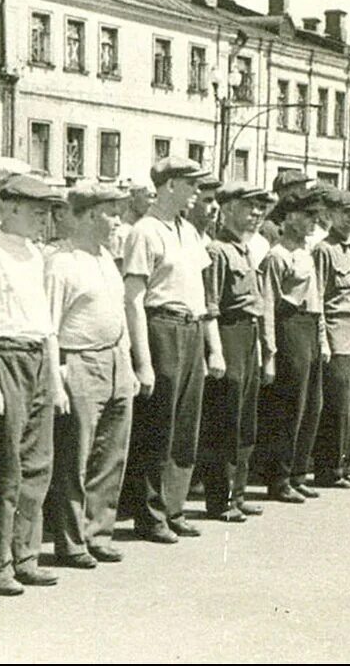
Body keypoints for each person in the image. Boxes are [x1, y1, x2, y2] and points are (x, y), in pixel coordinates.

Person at [0, 174, 64, 595]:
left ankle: (26, 556)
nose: (43, 218)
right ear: (11, 208)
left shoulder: (35, 255)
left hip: (38, 358)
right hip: (5, 357)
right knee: (4, 470)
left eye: (47, 211)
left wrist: (56, 379)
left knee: (37, 464)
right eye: (36, 211)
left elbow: (47, 326)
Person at [121, 156, 224, 544]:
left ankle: (173, 507)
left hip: (191, 327)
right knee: (157, 426)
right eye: (190, 183)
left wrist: (212, 348)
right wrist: (143, 362)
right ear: (168, 186)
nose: (197, 191)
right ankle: (149, 515)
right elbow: (133, 299)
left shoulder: (189, 231)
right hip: (161, 325)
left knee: (185, 427)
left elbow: (201, 294)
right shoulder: (145, 231)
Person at [45, 185, 136, 569]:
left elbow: (120, 312)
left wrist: (128, 363)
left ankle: (99, 532)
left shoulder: (106, 259)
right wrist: (55, 377)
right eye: (110, 213)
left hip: (114, 360)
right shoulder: (61, 262)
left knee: (111, 453)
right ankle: (71, 541)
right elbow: (48, 325)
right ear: (85, 215)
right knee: (75, 457)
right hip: (79, 360)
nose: (117, 221)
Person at [200, 185, 275, 522]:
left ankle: (238, 494)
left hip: (248, 334)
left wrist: (259, 348)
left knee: (246, 418)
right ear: (227, 210)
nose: (256, 215)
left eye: (260, 209)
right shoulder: (217, 251)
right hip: (228, 332)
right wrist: (215, 350)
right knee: (225, 418)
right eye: (249, 208)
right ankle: (221, 499)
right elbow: (211, 306)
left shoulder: (246, 250)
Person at [258, 189, 328, 502]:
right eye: (308, 216)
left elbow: (318, 301)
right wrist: (269, 353)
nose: (314, 221)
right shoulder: (276, 256)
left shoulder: (306, 252)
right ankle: (279, 477)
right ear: (289, 218)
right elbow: (269, 306)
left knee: (311, 406)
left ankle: (298, 472)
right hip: (290, 328)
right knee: (288, 408)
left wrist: (322, 339)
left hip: (310, 328)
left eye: (316, 216)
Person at [312, 189, 350, 488]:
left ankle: (346, 464)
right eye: (345, 213)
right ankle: (328, 469)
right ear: (331, 215)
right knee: (337, 406)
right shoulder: (324, 249)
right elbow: (318, 297)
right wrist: (322, 339)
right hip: (336, 333)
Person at [258, 170, 314, 246]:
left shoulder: (303, 221)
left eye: (304, 188)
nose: (304, 193)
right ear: (282, 192)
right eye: (300, 189)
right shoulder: (269, 228)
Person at [110, 182, 156, 265]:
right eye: (146, 196)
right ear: (132, 197)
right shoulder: (122, 233)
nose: (150, 202)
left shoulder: (147, 230)